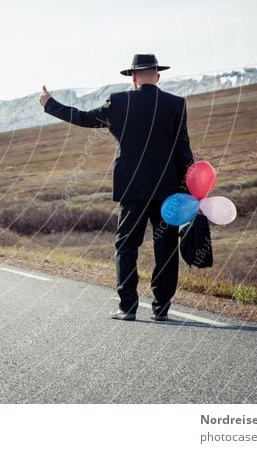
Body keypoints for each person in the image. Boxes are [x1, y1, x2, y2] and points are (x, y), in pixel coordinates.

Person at [39, 54, 194, 321]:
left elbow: (85, 118)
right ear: (157, 76)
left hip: (132, 189)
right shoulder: (176, 104)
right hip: (167, 190)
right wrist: (189, 189)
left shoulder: (119, 102)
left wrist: (50, 104)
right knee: (166, 249)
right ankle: (161, 310)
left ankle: (128, 307)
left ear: (134, 78)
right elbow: (183, 150)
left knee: (126, 246)